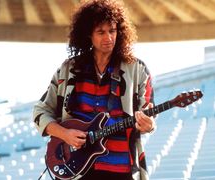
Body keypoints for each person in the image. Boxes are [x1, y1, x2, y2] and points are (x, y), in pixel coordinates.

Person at [33, 0, 155, 179]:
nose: (108, 38)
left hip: (120, 168)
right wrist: (65, 134)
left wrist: (149, 124)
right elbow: (40, 111)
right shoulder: (68, 70)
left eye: (112, 31)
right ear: (88, 35)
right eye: (101, 32)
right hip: (78, 170)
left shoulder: (137, 69)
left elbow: (148, 114)